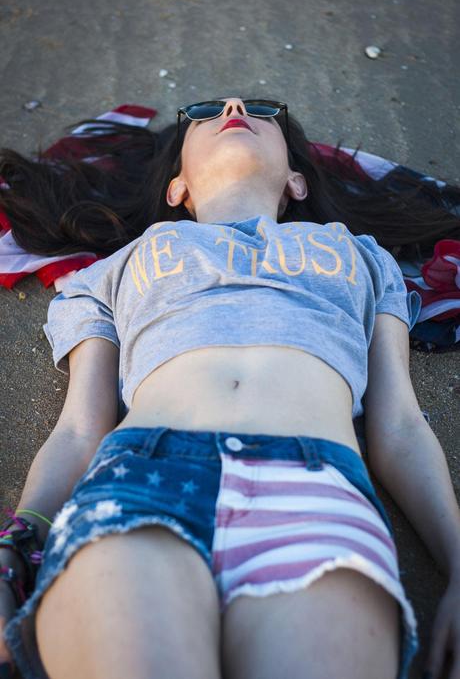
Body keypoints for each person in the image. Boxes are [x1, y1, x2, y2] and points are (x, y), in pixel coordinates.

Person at [0, 97, 459, 679]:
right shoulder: (113, 269)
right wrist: (17, 545)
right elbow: (77, 428)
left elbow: (399, 426)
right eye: (207, 112)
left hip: (315, 495)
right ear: (177, 187)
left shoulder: (364, 258)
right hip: (140, 478)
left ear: (296, 180)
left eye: (265, 112)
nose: (236, 106)